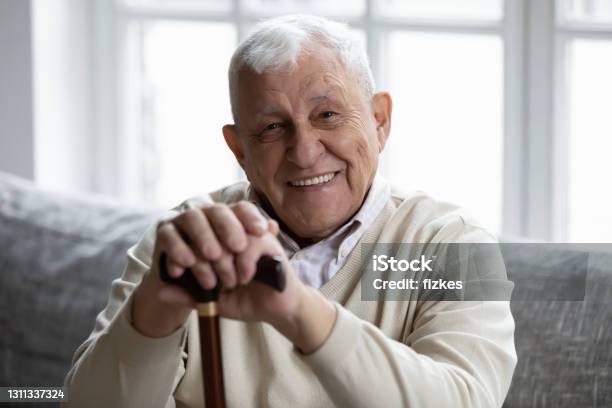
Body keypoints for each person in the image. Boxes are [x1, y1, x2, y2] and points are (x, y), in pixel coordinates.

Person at [64, 15, 516, 407]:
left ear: (380, 121)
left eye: (328, 115)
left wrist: (298, 310)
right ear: (239, 150)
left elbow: (465, 400)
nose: (303, 151)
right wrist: (156, 310)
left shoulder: (451, 242)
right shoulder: (190, 237)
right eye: (272, 127)